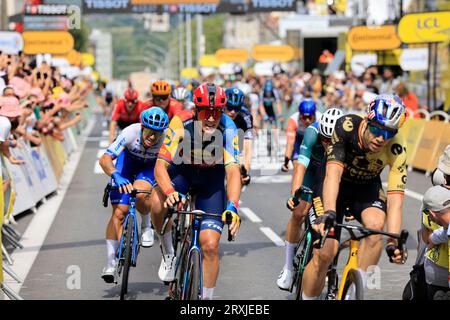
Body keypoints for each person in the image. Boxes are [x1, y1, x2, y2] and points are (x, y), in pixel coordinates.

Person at [302, 94, 408, 300]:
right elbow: (333, 176)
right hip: (335, 183)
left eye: (389, 133)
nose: (381, 138)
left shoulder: (397, 147)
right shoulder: (346, 127)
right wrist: (330, 212)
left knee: (376, 227)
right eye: (377, 129)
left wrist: (393, 242)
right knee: (325, 252)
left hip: (366, 186)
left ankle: (352, 293)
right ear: (367, 120)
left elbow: (395, 200)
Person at [151, 83, 241, 300]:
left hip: (211, 180)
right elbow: (160, 166)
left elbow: (233, 172)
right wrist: (170, 190)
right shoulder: (181, 121)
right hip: (183, 172)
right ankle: (169, 253)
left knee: (210, 245)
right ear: (195, 110)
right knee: (156, 200)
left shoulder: (228, 128)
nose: (211, 117)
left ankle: (206, 300)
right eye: (205, 111)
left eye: (216, 112)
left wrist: (233, 206)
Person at [99, 108, 169, 283]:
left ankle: (146, 225)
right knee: (118, 213)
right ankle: (110, 263)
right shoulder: (130, 131)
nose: (153, 137)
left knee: (140, 192)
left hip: (148, 168)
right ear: (142, 127)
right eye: (150, 131)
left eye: (157, 133)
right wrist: (115, 174)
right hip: (126, 165)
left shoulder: (166, 139)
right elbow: (105, 159)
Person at [277, 108, 343, 290]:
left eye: (332, 141)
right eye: (324, 139)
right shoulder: (312, 133)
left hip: (330, 176)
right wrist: (294, 195)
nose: (327, 144)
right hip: (311, 172)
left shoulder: (346, 139)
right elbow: (300, 167)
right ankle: (288, 267)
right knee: (299, 212)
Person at [420, 184, 450, 300]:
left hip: (436, 272)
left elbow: (425, 238)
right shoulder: (447, 229)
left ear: (431, 214)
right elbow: (442, 233)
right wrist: (433, 239)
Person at [281, 99, 321, 173]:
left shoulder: (320, 119)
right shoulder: (293, 119)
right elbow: (290, 143)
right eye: (304, 117)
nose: (307, 120)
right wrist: (286, 163)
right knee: (298, 167)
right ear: (300, 115)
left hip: (315, 142)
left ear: (314, 114)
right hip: (299, 142)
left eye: (309, 117)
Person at [225, 87, 254, 186]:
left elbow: (247, 149)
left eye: (236, 108)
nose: (233, 111)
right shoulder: (217, 112)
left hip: (237, 142)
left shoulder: (246, 117)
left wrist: (245, 172)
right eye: (229, 107)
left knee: (239, 178)